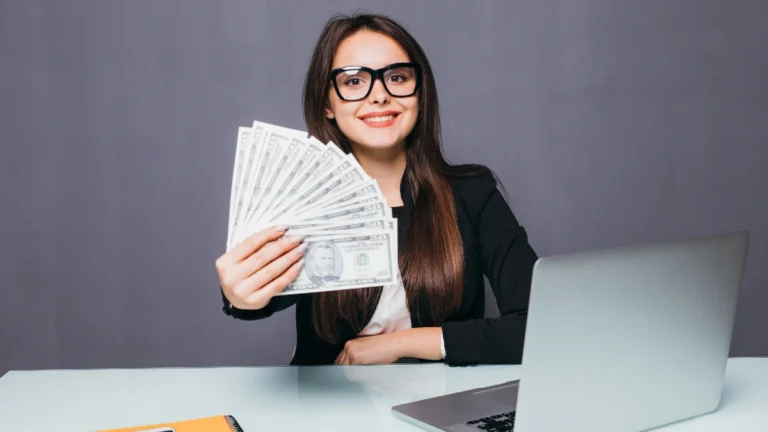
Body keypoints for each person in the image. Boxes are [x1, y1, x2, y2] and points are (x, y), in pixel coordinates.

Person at [215, 12, 539, 367]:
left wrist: (403, 343)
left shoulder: (472, 193)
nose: (380, 95)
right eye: (353, 82)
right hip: (329, 413)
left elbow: (540, 328)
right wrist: (240, 296)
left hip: (441, 407)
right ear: (327, 103)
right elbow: (257, 300)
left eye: (397, 77)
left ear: (420, 93)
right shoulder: (300, 200)